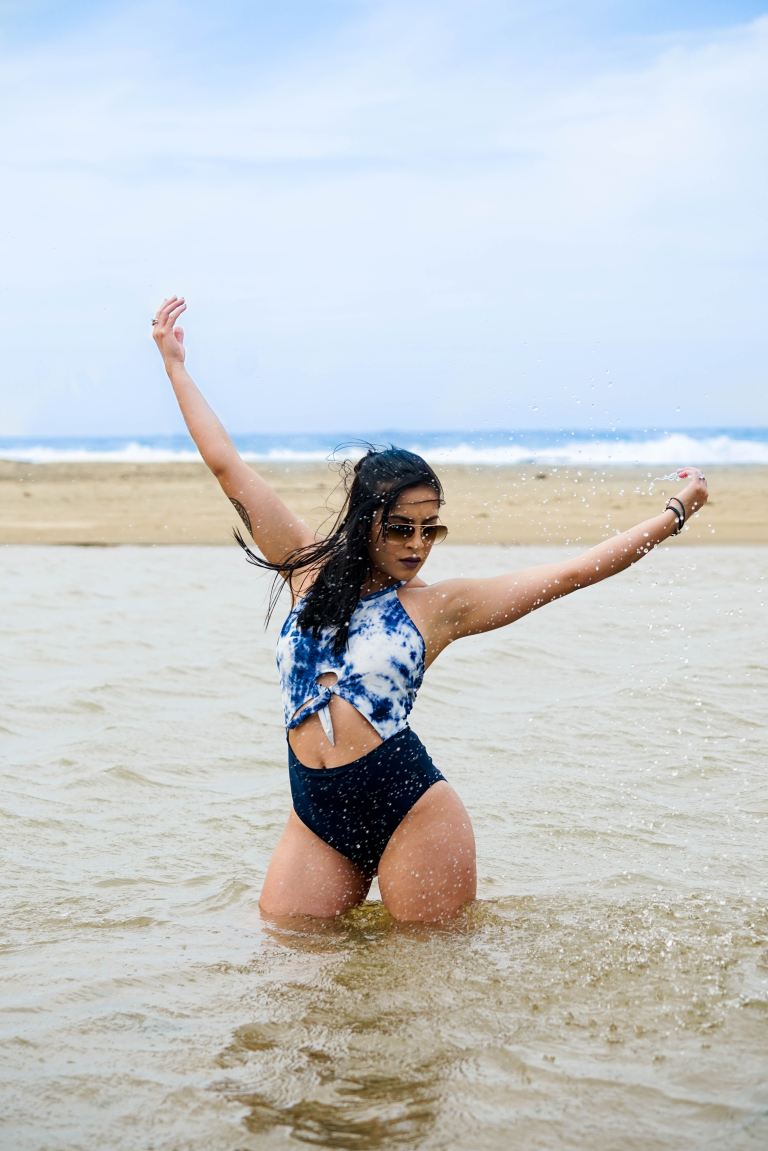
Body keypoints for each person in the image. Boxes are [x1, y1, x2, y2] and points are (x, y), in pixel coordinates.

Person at [151, 295, 708, 924]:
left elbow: (573, 573)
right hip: (316, 810)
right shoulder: (305, 569)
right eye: (400, 528)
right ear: (367, 523)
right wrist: (175, 365)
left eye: (429, 529)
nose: (417, 546)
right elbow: (227, 465)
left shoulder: (439, 607)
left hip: (411, 809)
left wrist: (675, 512)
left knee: (419, 991)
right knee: (289, 961)